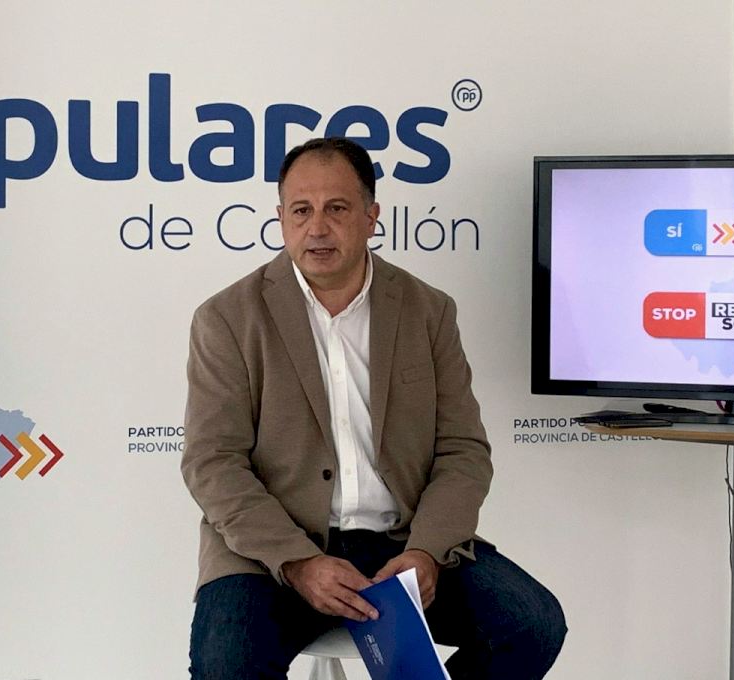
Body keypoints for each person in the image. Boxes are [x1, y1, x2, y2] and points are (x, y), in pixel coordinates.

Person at [182, 137, 566, 679]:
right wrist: (299, 561)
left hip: (402, 544)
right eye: (301, 210)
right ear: (281, 218)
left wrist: (427, 552)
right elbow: (213, 463)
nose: (317, 227)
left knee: (532, 623)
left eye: (337, 208)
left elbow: (462, 451)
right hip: (271, 555)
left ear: (371, 217)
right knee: (225, 664)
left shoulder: (428, 310)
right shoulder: (226, 318)